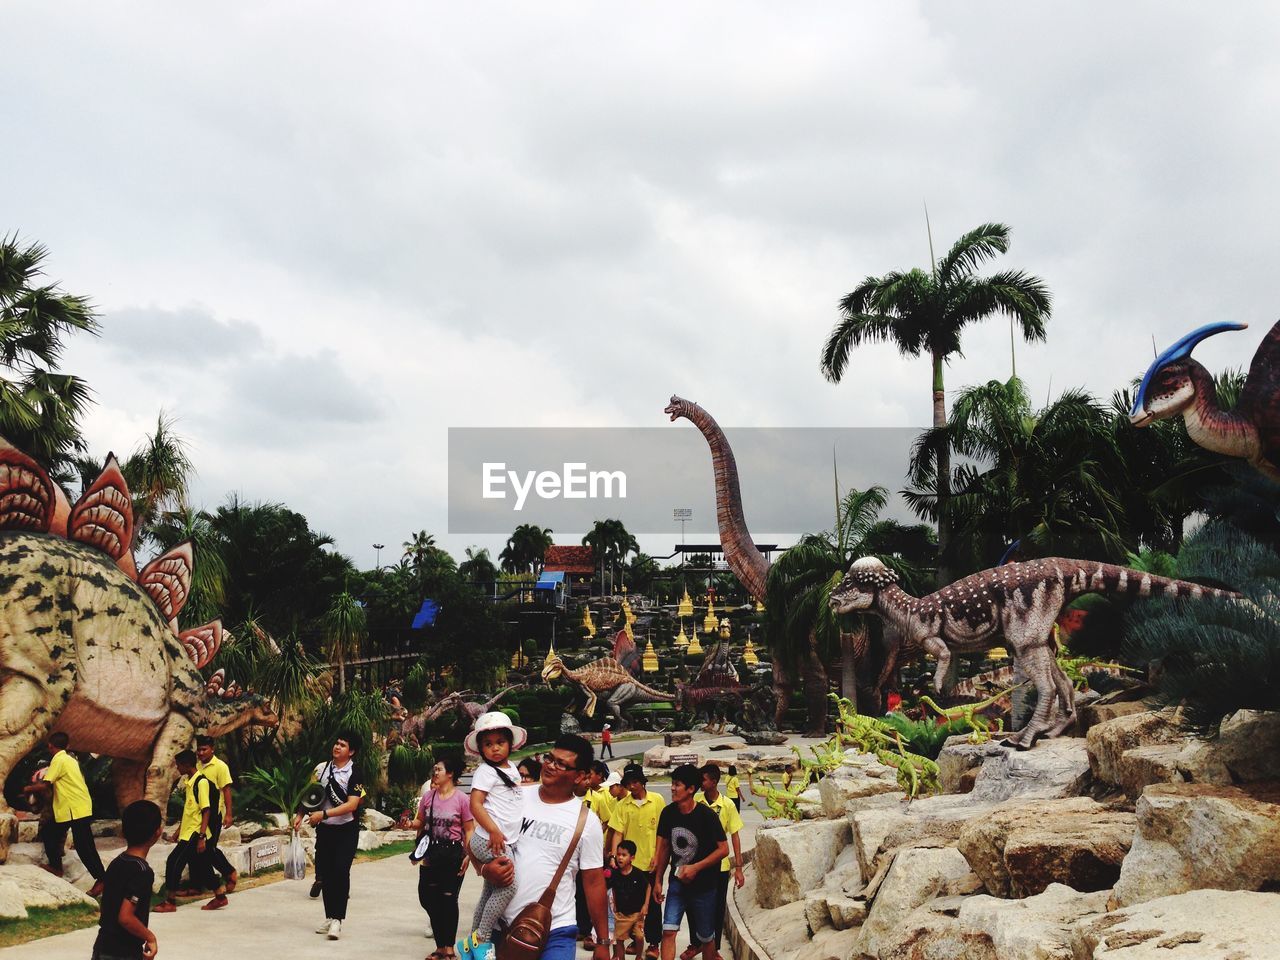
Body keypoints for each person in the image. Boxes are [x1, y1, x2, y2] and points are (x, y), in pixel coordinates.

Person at [477, 734, 610, 960]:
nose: (550, 766)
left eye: (561, 764)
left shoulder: (586, 822)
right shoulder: (516, 796)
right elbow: (476, 837)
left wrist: (603, 941)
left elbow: (594, 882)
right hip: (502, 925)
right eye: (549, 758)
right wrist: (484, 870)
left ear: (579, 776)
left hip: (555, 930)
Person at [457, 712, 527, 960]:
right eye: (488, 744)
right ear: (481, 749)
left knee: (490, 890)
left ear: (510, 743)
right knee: (510, 885)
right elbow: (475, 804)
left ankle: (468, 946)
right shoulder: (485, 772)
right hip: (490, 838)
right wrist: (495, 830)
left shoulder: (512, 769)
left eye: (500, 742)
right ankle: (482, 939)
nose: (495, 748)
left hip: (497, 838)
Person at [650, 765, 727, 960]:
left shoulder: (707, 816)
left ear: (691, 789)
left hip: (705, 887)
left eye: (677, 785)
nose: (673, 789)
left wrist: (696, 867)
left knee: (706, 937)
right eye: (672, 784)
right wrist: (658, 880)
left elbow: (724, 849)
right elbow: (665, 847)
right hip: (677, 884)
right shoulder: (668, 813)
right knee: (668, 931)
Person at [296, 732, 366, 940]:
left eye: (343, 745)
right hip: (325, 830)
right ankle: (328, 916)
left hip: (346, 830)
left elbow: (352, 804)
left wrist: (324, 814)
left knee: (340, 871)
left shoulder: (355, 773)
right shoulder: (321, 768)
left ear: (351, 751)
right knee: (326, 873)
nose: (337, 747)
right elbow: (310, 793)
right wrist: (300, 814)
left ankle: (338, 919)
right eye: (336, 743)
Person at [23, 732, 105, 896]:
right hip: (73, 807)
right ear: (67, 745)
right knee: (50, 832)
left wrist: (27, 789)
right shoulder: (70, 758)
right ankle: (56, 867)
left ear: (50, 746)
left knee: (84, 845)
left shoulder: (59, 759)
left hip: (74, 808)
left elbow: (45, 785)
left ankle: (102, 879)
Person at [678, 764, 745, 959]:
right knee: (692, 906)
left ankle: (713, 948)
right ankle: (695, 943)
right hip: (695, 866)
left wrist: (739, 867)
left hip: (719, 867)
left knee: (716, 908)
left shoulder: (728, 805)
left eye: (703, 780)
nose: (700, 783)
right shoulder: (695, 801)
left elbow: (735, 836)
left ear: (714, 782)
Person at [413, 754, 473, 960]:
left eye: (438, 769)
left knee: (448, 900)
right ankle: (441, 945)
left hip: (453, 854)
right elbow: (420, 823)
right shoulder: (428, 797)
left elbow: (469, 830)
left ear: (450, 774)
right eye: (434, 769)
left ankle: (447, 949)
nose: (434, 773)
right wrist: (408, 826)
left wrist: (469, 855)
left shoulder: (462, 800)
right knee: (427, 898)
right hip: (431, 855)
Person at [154, 750, 227, 912]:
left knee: (174, 862)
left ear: (187, 765)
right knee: (203, 865)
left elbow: (205, 810)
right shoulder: (190, 782)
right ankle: (220, 896)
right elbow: (190, 811)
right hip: (188, 832)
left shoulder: (201, 783)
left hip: (195, 834)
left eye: (178, 765)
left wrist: (201, 837)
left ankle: (170, 901)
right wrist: (179, 831)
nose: (177, 768)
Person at [606, 763, 666, 959]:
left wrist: (658, 856)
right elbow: (617, 832)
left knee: (653, 905)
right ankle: (634, 938)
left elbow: (662, 833)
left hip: (651, 863)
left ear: (642, 782)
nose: (631, 787)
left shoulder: (657, 800)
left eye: (635, 782)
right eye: (628, 783)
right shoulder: (622, 805)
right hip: (631, 866)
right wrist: (615, 856)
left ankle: (654, 943)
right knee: (629, 905)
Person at [92, 800, 162, 960]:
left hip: (102, 945)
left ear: (123, 832)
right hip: (123, 951)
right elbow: (126, 917)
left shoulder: (116, 863)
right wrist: (150, 937)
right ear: (157, 832)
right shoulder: (142, 872)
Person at [194, 735, 238, 895]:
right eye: (198, 749)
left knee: (209, 848)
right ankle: (198, 885)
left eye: (204, 749)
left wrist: (229, 815)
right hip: (197, 815)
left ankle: (229, 873)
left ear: (212, 749)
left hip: (214, 814)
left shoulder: (220, 766)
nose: (200, 752)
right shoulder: (197, 766)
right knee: (199, 849)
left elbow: (226, 791)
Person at [608, 840, 651, 960]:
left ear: (632, 857)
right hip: (622, 914)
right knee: (620, 940)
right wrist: (615, 905)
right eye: (618, 854)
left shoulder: (638, 874)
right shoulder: (615, 874)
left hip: (637, 913)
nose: (620, 858)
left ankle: (638, 957)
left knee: (639, 936)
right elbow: (614, 889)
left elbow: (648, 887)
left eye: (624, 855)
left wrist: (645, 905)